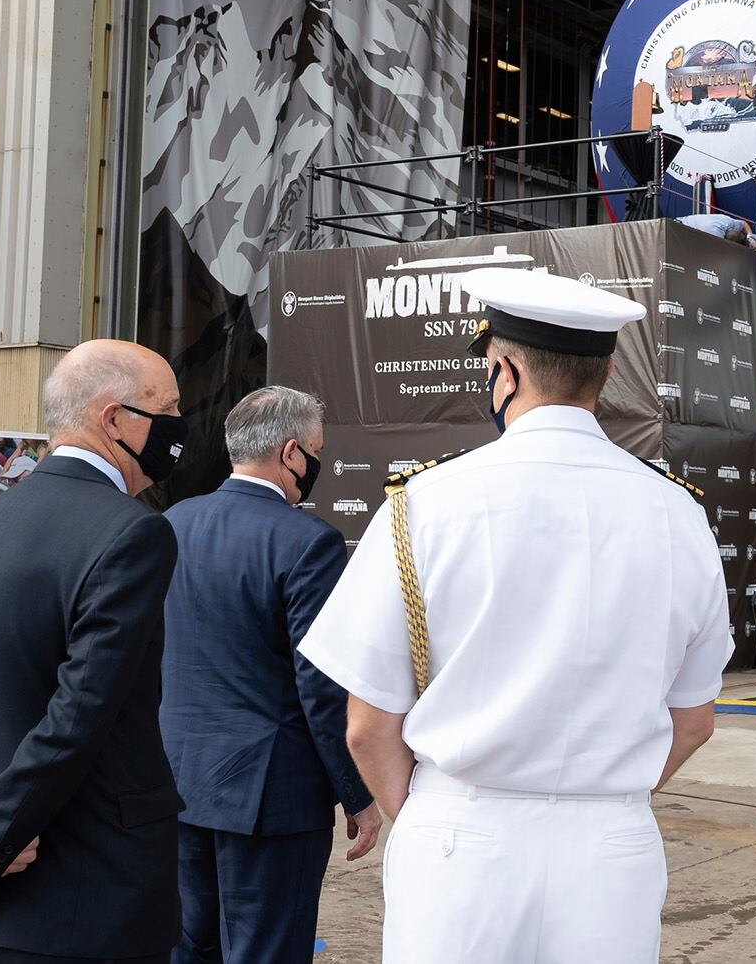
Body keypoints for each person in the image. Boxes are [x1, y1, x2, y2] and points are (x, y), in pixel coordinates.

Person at [300, 269, 731, 963]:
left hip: (461, 837)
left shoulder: (423, 504)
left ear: (503, 370)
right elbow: (695, 720)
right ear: (608, 373)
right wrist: (600, 795)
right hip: (610, 848)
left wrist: (435, 819)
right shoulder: (679, 513)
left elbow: (367, 726)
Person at [0, 339, 188, 958]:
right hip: (92, 905)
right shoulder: (132, 533)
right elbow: (79, 716)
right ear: (115, 419)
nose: (180, 428)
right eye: (169, 408)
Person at [161, 386, 382, 964]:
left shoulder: (173, 523)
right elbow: (321, 686)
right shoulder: (308, 542)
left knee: (188, 947)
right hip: (269, 799)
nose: (316, 465)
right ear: (290, 454)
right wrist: (356, 791)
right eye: (315, 452)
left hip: (175, 781)